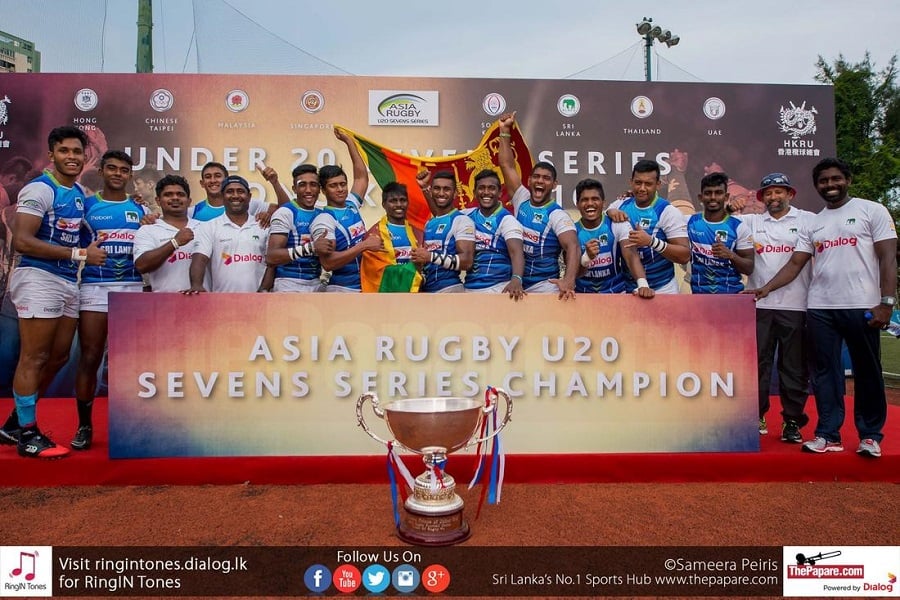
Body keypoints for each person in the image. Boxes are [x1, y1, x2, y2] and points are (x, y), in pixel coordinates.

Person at [751, 158, 897, 458]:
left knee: (867, 372)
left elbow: (888, 258)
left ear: (848, 180)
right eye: (824, 181)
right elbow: (795, 264)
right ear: (816, 186)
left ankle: (870, 436)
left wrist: (886, 302)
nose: (830, 185)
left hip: (862, 306)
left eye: (835, 179)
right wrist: (766, 288)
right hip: (820, 307)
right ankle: (828, 434)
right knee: (824, 375)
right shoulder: (814, 222)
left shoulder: (872, 210)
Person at [0, 126, 106, 458]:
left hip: (67, 280)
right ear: (52, 155)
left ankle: (15, 423)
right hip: (39, 278)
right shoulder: (39, 189)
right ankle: (28, 435)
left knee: (59, 356)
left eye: (77, 152)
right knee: (34, 357)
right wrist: (79, 254)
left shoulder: (77, 192)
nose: (72, 157)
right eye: (64, 151)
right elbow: (23, 240)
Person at [72, 150, 149, 450]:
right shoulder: (87, 206)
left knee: (130, 362)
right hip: (95, 288)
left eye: (124, 170)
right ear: (102, 171)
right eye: (112, 168)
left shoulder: (140, 208)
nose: (118, 173)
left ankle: (133, 426)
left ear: (130, 175)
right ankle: (84, 425)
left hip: (132, 288)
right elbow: (72, 243)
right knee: (90, 357)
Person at [738, 173, 814, 442]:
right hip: (758, 306)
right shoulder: (751, 221)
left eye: (779, 192)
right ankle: (756, 415)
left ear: (790, 194)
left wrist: (767, 287)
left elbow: (796, 264)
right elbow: (713, 219)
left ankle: (792, 421)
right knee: (757, 365)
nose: (773, 197)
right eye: (768, 193)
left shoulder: (808, 220)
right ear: (762, 197)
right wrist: (731, 206)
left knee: (793, 367)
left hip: (796, 305)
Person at [497, 112, 579, 299]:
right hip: (515, 281)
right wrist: (504, 130)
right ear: (529, 180)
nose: (540, 181)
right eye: (536, 177)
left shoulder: (557, 215)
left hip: (544, 285)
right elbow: (506, 165)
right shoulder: (521, 198)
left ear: (554, 185)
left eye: (546, 178)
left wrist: (568, 280)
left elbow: (573, 246)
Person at [311, 127, 383, 292]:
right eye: (333, 186)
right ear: (323, 190)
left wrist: (349, 142)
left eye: (343, 184)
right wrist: (363, 246)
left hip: (364, 285)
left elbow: (361, 177)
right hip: (343, 288)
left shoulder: (351, 205)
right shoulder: (324, 219)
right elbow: (328, 263)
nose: (340, 189)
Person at [608, 159, 690, 293]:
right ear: (631, 182)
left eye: (648, 184)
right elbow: (604, 215)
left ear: (658, 185)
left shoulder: (668, 212)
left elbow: (684, 256)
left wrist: (651, 242)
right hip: (628, 288)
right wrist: (610, 212)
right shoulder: (619, 205)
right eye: (638, 183)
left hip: (663, 289)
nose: (642, 188)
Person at [184, 175, 271, 293]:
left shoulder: (263, 226)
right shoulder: (209, 226)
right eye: (230, 192)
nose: (235, 195)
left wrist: (264, 289)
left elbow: (272, 263)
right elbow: (200, 258)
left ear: (249, 196)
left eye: (240, 191)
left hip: (260, 299)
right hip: (222, 300)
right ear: (222, 196)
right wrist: (196, 285)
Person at [572, 178, 653, 299]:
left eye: (595, 199)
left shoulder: (617, 224)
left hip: (616, 292)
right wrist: (586, 258)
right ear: (577, 204)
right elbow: (573, 273)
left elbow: (631, 256)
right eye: (584, 200)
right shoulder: (572, 231)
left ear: (604, 203)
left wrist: (642, 284)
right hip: (583, 296)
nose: (590, 203)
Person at [265, 164, 332, 292]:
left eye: (313, 184)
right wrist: (311, 247)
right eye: (302, 185)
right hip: (288, 283)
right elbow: (272, 256)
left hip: (316, 282)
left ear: (319, 189)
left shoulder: (321, 215)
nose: (308, 190)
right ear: (294, 189)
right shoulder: (285, 212)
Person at [462, 169, 525, 300]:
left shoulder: (507, 220)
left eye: (491, 188)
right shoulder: (466, 215)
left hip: (498, 288)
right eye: (481, 188)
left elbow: (516, 253)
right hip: (469, 289)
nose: (486, 192)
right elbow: (443, 215)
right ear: (474, 192)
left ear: (500, 193)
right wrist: (425, 189)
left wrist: (516, 279)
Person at [686, 172, 754, 294]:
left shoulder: (739, 227)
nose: (713, 197)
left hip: (731, 297)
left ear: (726, 197)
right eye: (708, 193)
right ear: (700, 197)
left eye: (718, 193)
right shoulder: (689, 222)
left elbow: (749, 268)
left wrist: (731, 255)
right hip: (698, 296)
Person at [133, 175, 201, 292]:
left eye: (180, 194)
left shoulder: (205, 228)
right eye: (168, 194)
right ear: (158, 201)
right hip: (165, 301)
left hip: (203, 300)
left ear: (189, 201)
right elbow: (141, 266)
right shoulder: (148, 230)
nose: (175, 198)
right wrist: (174, 243)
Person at [412, 170, 475, 293]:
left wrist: (430, 256)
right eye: (437, 188)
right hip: (427, 291)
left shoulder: (461, 220)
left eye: (446, 189)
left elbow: (467, 262)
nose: (441, 193)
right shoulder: (430, 223)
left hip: (450, 289)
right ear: (431, 191)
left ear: (455, 193)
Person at [360, 181, 424, 292]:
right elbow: (374, 271)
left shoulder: (418, 233)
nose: (399, 204)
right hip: (387, 296)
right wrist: (412, 268)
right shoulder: (374, 234)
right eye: (393, 201)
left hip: (415, 293)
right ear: (384, 204)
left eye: (402, 200)